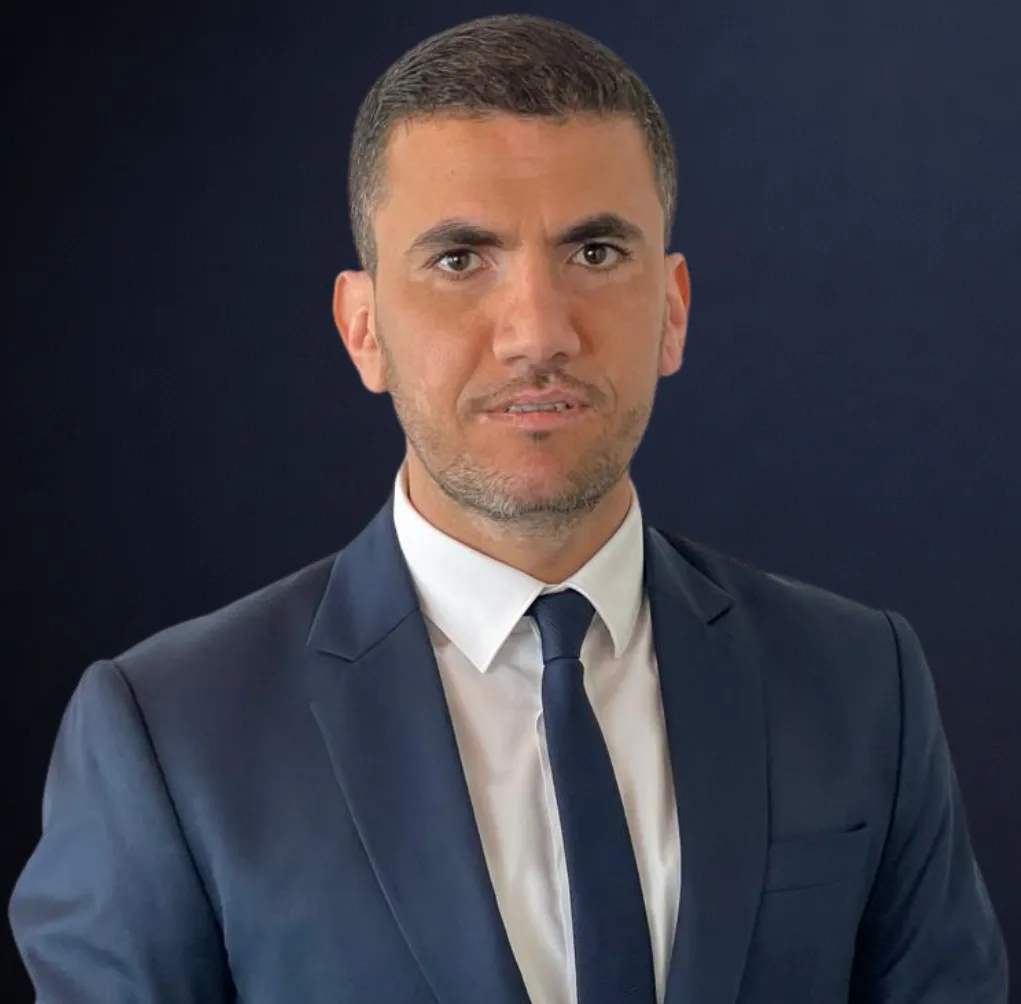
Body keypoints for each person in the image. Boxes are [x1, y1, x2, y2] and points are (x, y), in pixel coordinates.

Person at [9, 13, 1008, 1004]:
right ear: (363, 329)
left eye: (595, 252)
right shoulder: (168, 737)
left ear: (672, 311)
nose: (537, 333)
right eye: (459, 260)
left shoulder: (861, 684)